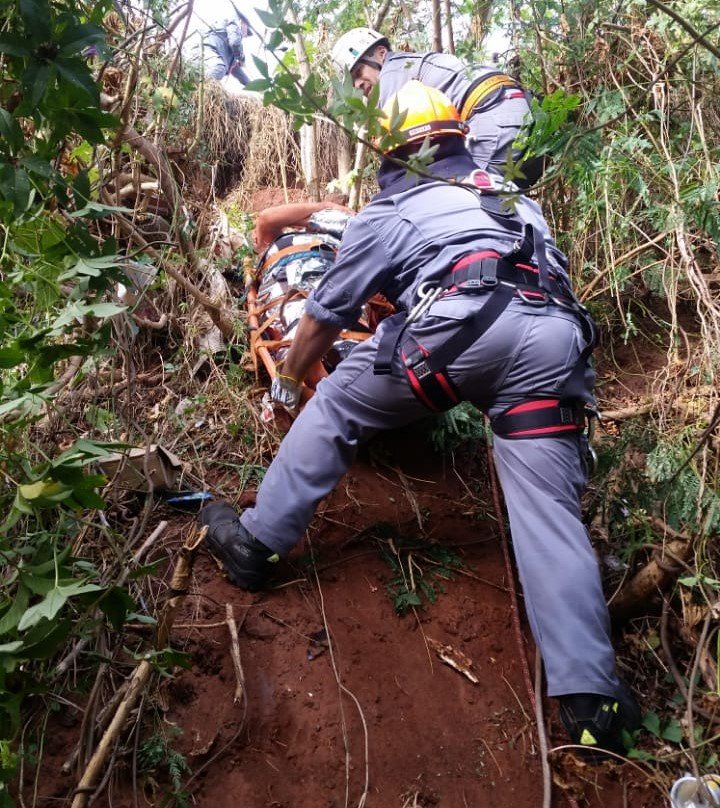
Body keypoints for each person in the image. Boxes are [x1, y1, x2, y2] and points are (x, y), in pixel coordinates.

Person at [199, 82, 639, 759]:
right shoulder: (518, 200)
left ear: (389, 151)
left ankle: (257, 544)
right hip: (553, 342)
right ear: (458, 140)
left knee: (343, 400)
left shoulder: (395, 207)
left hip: (462, 333)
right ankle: (592, 707)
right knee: (549, 513)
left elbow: (323, 318)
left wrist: (285, 387)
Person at [330, 27, 543, 188]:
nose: (357, 85)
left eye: (358, 72)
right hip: (517, 112)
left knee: (467, 210)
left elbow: (396, 160)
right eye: (352, 81)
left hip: (491, 116)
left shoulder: (391, 76)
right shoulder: (412, 64)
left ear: (381, 53)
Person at [200, 4, 252, 88]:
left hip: (210, 55)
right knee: (219, 68)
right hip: (206, 48)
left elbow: (238, 72)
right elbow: (235, 42)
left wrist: (254, 86)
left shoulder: (231, 54)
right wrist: (241, 58)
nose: (246, 35)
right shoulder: (233, 23)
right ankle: (200, 89)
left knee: (221, 68)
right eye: (247, 31)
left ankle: (202, 88)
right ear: (243, 23)